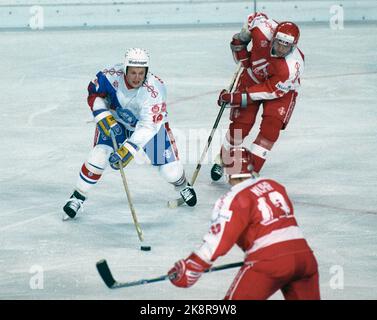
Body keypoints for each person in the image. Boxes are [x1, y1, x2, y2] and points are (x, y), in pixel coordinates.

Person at [168, 147, 320, 300]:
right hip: (305, 258)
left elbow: (220, 241)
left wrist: (192, 265)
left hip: (269, 262)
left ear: (228, 173)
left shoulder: (233, 198)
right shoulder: (275, 186)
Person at [63, 48, 197, 219]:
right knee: (98, 155)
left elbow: (148, 126)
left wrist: (128, 150)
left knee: (170, 172)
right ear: (125, 69)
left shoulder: (154, 89)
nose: (137, 77)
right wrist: (102, 115)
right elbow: (94, 94)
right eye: (133, 72)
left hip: (149, 129)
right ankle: (78, 196)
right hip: (116, 121)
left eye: (141, 73)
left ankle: (182, 185)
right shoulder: (110, 75)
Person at [211, 12, 305, 181]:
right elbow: (253, 17)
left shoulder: (292, 67)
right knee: (241, 125)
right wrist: (241, 39)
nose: (282, 49)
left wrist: (234, 98)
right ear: (273, 37)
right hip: (253, 77)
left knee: (270, 130)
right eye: (279, 43)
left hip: (279, 92)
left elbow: (268, 90)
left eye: (287, 46)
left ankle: (248, 172)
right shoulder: (262, 29)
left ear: (294, 46)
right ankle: (223, 158)